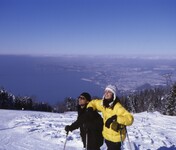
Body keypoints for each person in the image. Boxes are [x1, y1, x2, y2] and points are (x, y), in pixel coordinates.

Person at [87, 85, 134, 150]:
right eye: (105, 91)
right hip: (107, 136)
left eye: (109, 92)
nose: (106, 93)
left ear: (113, 94)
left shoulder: (117, 107)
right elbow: (93, 103)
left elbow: (130, 119)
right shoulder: (103, 104)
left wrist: (115, 118)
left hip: (116, 138)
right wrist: (90, 108)